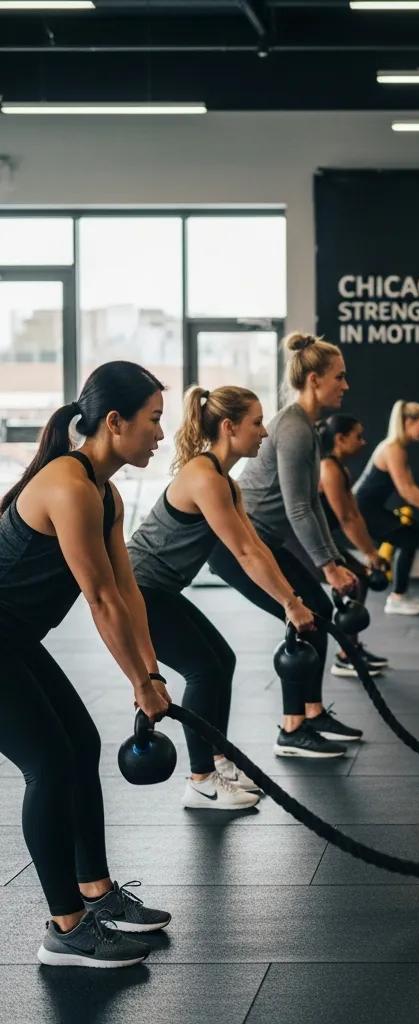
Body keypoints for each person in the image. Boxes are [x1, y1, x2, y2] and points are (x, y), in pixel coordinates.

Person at [0, 362, 172, 968]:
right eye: (153, 420)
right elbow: (99, 600)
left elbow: (127, 592)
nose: (160, 434)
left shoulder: (105, 493)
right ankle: (66, 928)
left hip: (14, 639)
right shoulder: (69, 486)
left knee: (81, 743)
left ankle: (95, 892)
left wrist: (152, 673)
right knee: (48, 762)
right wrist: (138, 682)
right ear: (115, 421)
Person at [130, 385, 323, 804]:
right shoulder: (204, 477)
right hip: (138, 590)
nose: (265, 433)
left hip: (159, 589)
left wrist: (291, 599)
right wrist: (290, 604)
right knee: (203, 669)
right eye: (257, 423)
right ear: (229, 427)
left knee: (222, 660)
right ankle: (201, 781)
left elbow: (258, 548)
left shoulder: (225, 482)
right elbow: (244, 553)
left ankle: (218, 762)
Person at [207, 333, 362, 757]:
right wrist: (328, 567)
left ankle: (311, 713)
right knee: (305, 614)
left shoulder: (307, 427)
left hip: (262, 540)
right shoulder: (293, 428)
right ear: (314, 380)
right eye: (339, 377)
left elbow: (311, 504)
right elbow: (297, 509)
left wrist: (333, 560)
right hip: (236, 545)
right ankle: (292, 728)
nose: (345, 385)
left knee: (316, 611)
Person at [353, 400, 419, 616]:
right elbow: (406, 490)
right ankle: (397, 598)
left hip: (370, 508)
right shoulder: (393, 449)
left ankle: (400, 595)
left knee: (411, 534)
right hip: (361, 510)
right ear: (407, 422)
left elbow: (410, 487)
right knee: (408, 538)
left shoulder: (398, 449)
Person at [317, 413, 391, 678]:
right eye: (358, 436)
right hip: (303, 543)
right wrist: (370, 553)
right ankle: (346, 656)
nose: (363, 442)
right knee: (356, 581)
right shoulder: (328, 469)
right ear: (340, 439)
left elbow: (355, 515)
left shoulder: (340, 469)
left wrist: (371, 552)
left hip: (322, 539)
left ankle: (350, 650)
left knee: (359, 579)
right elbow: (345, 518)